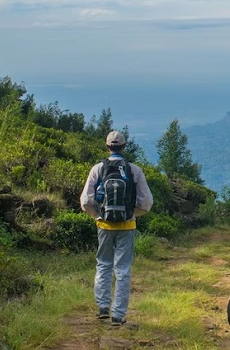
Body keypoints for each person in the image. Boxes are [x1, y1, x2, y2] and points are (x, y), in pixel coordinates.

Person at [80, 130, 153, 326]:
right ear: (124, 146)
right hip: (127, 225)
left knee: (103, 264)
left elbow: (85, 200)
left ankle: (103, 307)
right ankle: (118, 315)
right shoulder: (133, 170)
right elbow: (146, 202)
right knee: (122, 269)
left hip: (104, 224)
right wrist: (132, 215)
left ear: (107, 146)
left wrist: (97, 215)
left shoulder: (98, 169)